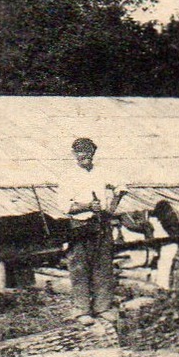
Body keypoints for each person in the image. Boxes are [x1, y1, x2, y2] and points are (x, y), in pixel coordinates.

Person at [62, 137, 125, 322]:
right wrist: (88, 206)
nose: (84, 156)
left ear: (93, 153)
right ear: (74, 154)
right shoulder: (68, 176)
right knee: (79, 267)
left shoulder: (102, 172)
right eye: (80, 152)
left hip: (102, 224)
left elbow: (122, 187)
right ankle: (82, 310)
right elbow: (65, 206)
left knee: (103, 265)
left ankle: (103, 308)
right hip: (80, 226)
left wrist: (111, 208)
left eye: (88, 151)